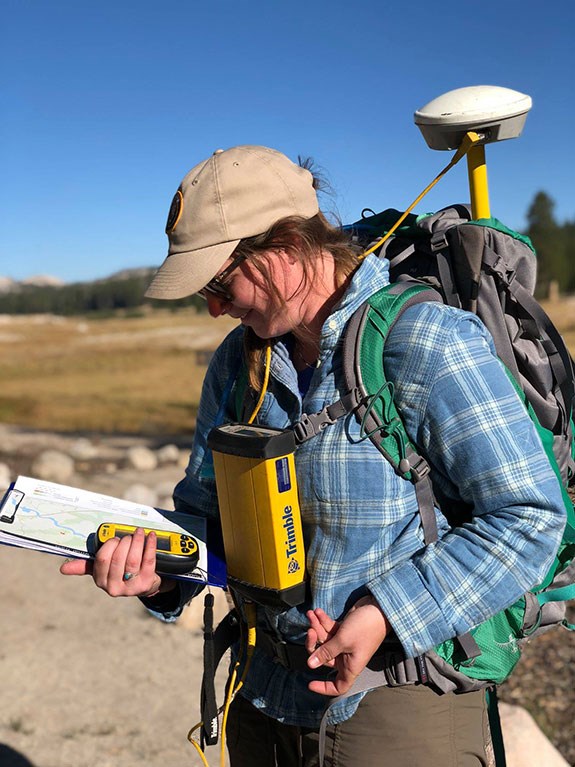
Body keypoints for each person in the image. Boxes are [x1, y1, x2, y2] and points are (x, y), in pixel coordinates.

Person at [61, 145, 566, 766]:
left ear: (286, 245)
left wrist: (386, 612)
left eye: (219, 282)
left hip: (395, 706)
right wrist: (162, 567)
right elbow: (205, 512)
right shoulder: (237, 362)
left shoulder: (424, 340)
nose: (216, 308)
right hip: (260, 695)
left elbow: (531, 517)